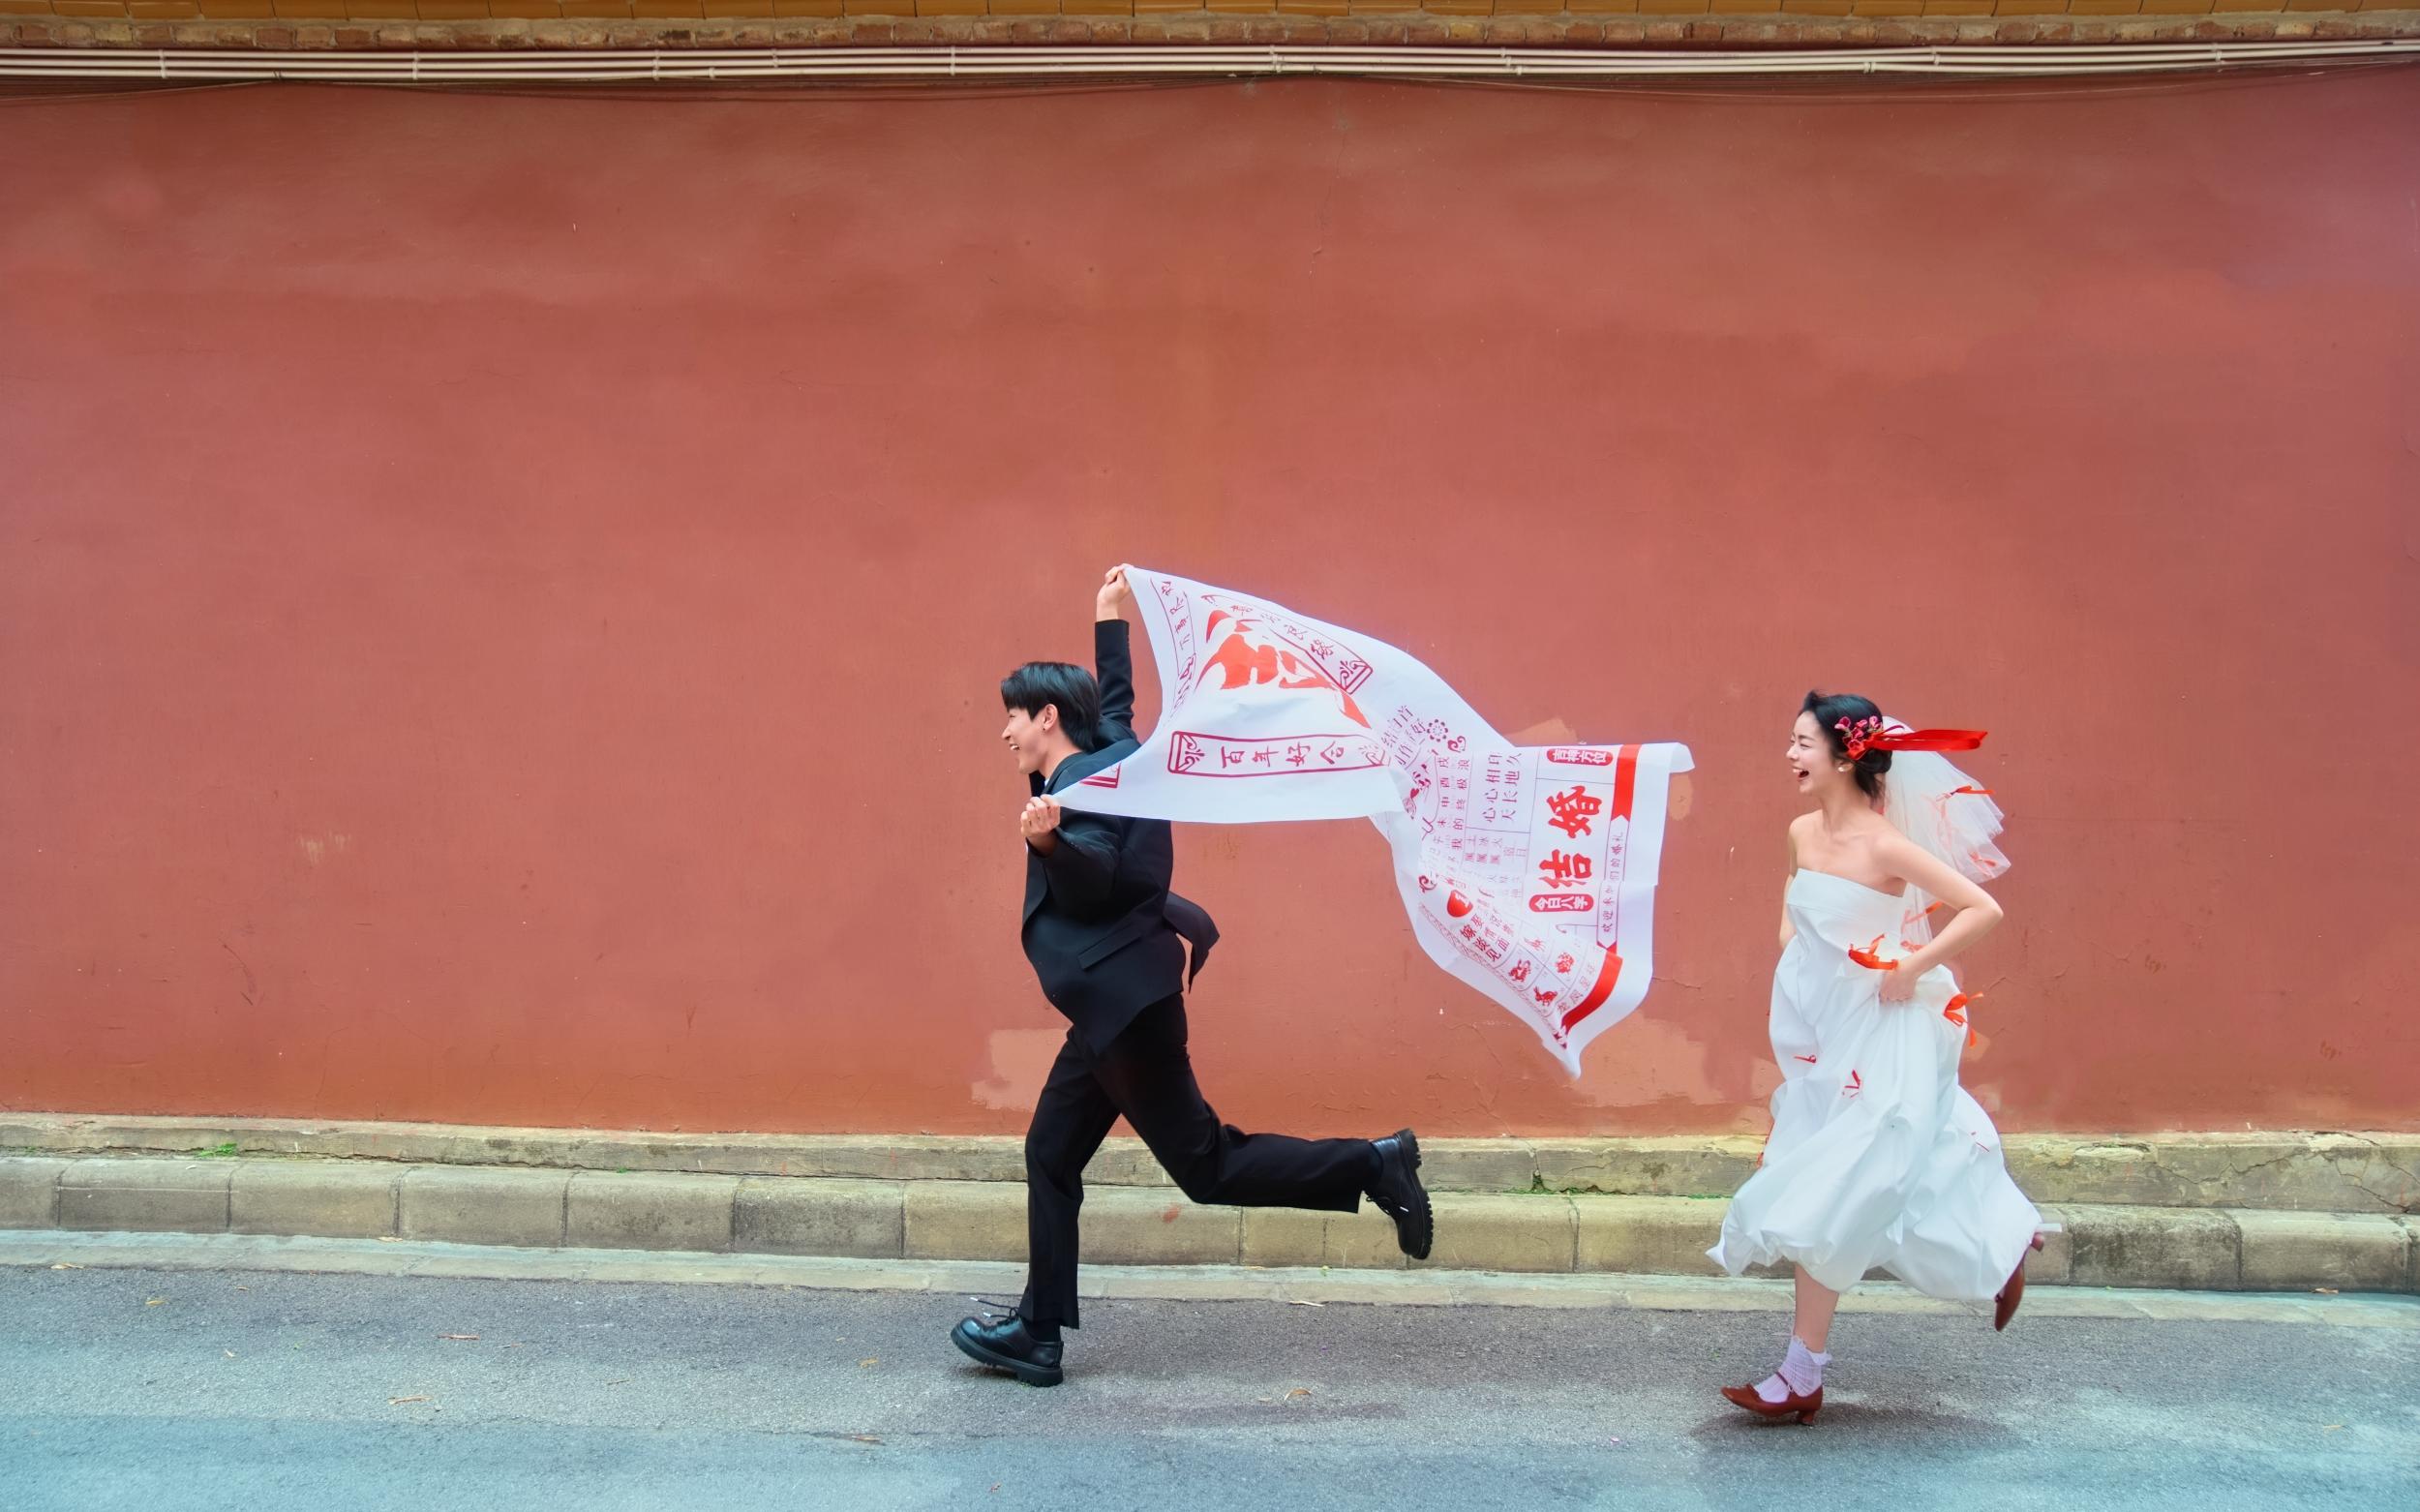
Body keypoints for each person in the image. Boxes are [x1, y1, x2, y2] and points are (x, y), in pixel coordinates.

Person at [950, 566, 1434, 1388]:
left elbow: (1102, 874)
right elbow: (1117, 702)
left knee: (1208, 1168)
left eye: (1013, 718)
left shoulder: (1082, 785)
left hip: (1126, 1011)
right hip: (1110, 1011)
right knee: (1050, 1153)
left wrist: (1050, 845)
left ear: (1047, 718)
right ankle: (1038, 1333)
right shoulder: (1114, 756)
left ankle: (1373, 1163)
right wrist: (1109, 616)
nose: (1006, 734)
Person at [1707, 691, 2042, 1424]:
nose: (1790, 755)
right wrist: (1801, 964)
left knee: (1836, 1186)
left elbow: (1984, 909)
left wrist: (1909, 969)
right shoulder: (1800, 831)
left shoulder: (1885, 845)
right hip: (1822, 1027)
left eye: (1803, 743)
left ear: (1844, 755)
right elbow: (1793, 916)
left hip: (1884, 1019)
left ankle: (1800, 1375)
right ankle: (2007, 1237)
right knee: (1871, 1168)